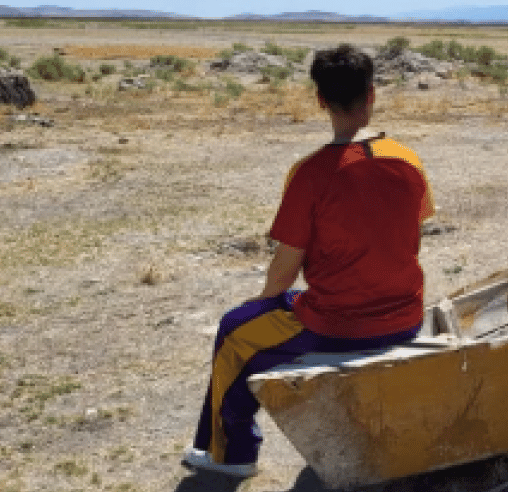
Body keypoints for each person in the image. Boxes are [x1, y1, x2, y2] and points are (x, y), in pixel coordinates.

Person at [182, 44, 435, 478]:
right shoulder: (408, 160)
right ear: (371, 95)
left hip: (336, 325)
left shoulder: (311, 174)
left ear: (320, 99)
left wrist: (261, 306)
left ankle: (233, 455)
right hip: (406, 316)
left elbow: (285, 270)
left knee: (234, 331)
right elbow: (414, 226)